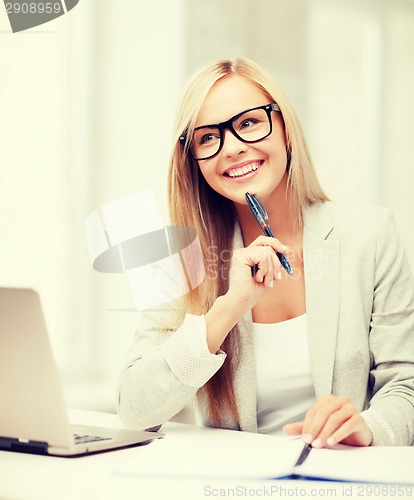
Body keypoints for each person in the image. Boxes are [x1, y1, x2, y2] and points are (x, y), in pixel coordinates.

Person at [117, 57, 414, 447]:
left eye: (249, 123)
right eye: (207, 137)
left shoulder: (370, 236)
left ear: (285, 129)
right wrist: (228, 307)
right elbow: (135, 411)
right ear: (193, 163)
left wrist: (368, 429)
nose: (233, 148)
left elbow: (406, 388)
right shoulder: (179, 261)